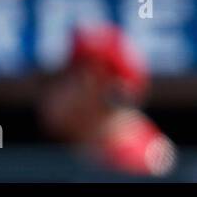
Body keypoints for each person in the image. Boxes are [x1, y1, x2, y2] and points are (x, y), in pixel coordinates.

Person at [38, 25, 177, 177]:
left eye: (63, 79)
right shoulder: (94, 152)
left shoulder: (136, 162)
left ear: (90, 81)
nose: (50, 94)